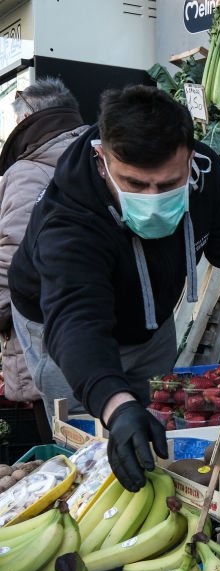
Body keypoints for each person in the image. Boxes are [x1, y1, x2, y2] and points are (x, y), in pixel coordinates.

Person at [9, 85, 220, 491]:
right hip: (59, 327)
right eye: (134, 183)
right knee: (94, 439)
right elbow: (76, 321)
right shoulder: (69, 219)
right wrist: (115, 404)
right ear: (102, 157)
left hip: (150, 320)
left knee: (154, 421)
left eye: (167, 185)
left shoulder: (204, 172)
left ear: (189, 154)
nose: (152, 198)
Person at [0, 78, 88, 449]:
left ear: (30, 119)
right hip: (97, 333)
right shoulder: (95, 157)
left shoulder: (28, 171)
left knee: (63, 453)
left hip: (42, 335)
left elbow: (12, 254)